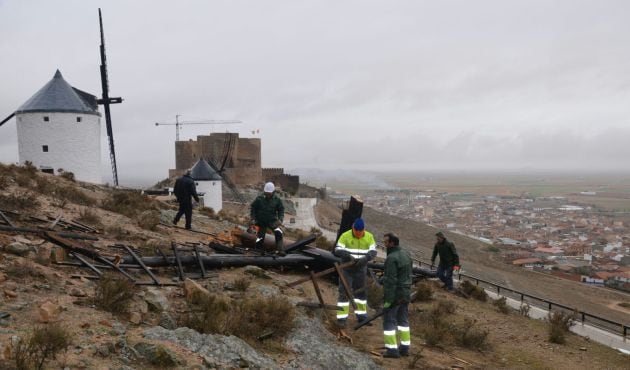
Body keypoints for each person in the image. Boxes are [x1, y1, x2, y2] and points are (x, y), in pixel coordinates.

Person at [333, 218, 377, 327]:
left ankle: (362, 317)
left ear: (363, 229)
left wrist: (365, 258)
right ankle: (341, 319)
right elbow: (337, 250)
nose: (358, 233)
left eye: (360, 231)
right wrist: (348, 256)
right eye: (356, 230)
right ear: (353, 228)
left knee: (360, 292)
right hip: (347, 269)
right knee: (344, 293)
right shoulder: (345, 236)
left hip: (361, 269)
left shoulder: (369, 236)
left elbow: (373, 251)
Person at [381, 232, 413, 358]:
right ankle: (404, 348)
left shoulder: (392, 258)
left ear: (392, 243)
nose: (384, 244)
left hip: (395, 294)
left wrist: (388, 300)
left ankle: (392, 350)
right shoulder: (406, 254)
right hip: (405, 293)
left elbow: (391, 281)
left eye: (386, 242)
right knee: (403, 321)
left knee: (389, 321)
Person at [250, 182, 285, 256]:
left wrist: (280, 219)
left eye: (269, 193)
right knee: (260, 237)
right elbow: (253, 208)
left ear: (273, 192)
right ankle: (257, 251)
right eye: (266, 193)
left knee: (279, 233)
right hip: (261, 222)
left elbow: (281, 210)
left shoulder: (277, 200)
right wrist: (253, 218)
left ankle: (280, 250)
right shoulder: (259, 199)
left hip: (272, 221)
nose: (268, 194)